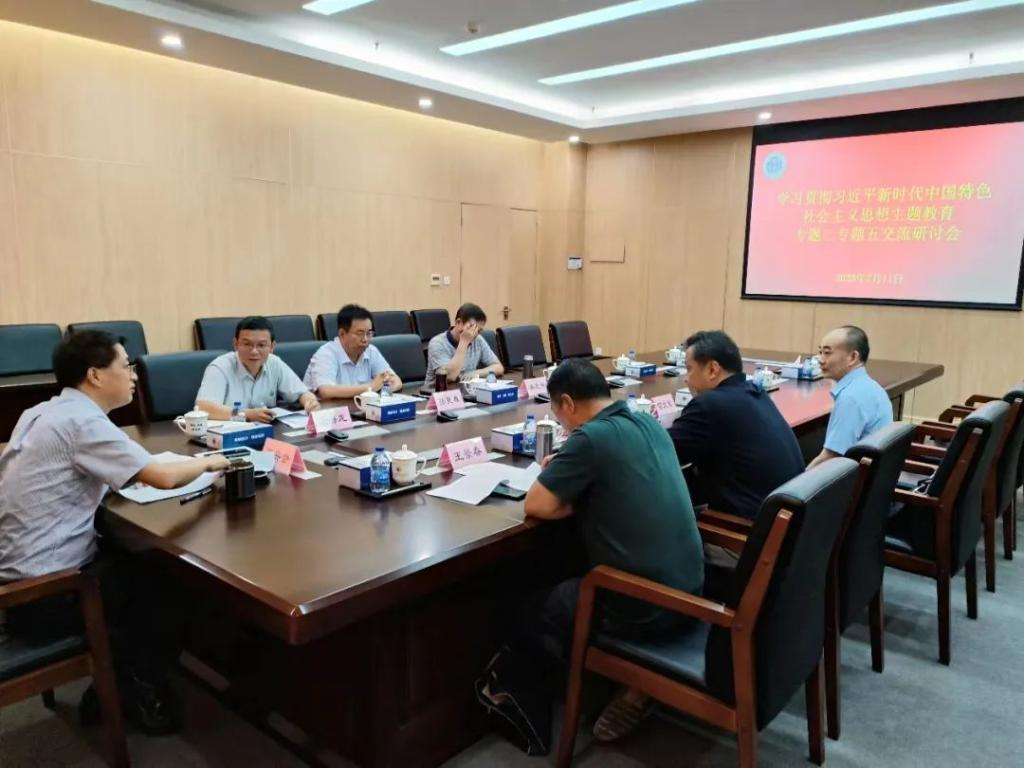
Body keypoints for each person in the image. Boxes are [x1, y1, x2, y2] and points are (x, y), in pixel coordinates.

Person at [0, 331, 231, 734]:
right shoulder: (82, 422)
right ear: (94, 375)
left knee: (134, 557)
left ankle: (116, 677)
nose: (134, 375)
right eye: (125, 366)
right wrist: (214, 461)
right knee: (174, 579)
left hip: (19, 579)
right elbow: (162, 476)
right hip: (48, 595)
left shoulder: (41, 412)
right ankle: (138, 685)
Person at [479, 359, 703, 748]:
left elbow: (538, 505)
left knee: (524, 602)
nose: (562, 425)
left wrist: (574, 492)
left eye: (557, 414)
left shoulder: (590, 438)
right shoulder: (646, 422)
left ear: (567, 403)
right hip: (692, 587)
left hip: (642, 607)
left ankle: (561, 691)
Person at [668, 330, 805, 519]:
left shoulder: (710, 404)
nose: (686, 378)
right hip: (784, 519)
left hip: (747, 529)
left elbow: (661, 451)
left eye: (689, 369)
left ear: (712, 369)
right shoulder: (756, 392)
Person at [195, 316, 319, 422]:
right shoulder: (220, 367)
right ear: (236, 344)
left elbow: (302, 393)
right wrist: (245, 414)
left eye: (261, 345)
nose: (254, 351)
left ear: (272, 347)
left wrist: (310, 402)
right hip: (228, 435)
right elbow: (203, 407)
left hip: (266, 431)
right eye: (247, 344)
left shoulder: (274, 363)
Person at [808, 325, 893, 468]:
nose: (820, 360)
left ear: (853, 357)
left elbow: (831, 458)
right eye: (820, 352)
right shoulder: (870, 386)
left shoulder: (850, 398)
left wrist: (797, 480)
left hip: (857, 477)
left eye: (827, 353)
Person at [303, 304, 402, 398]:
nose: (365, 339)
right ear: (342, 334)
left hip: (360, 407)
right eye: (359, 333)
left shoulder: (371, 351)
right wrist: (370, 387)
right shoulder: (326, 353)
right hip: (329, 408)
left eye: (369, 333)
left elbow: (395, 381)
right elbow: (325, 391)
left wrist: (385, 392)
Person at [424, 303, 503, 392]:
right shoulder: (437, 343)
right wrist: (464, 342)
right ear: (458, 323)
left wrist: (474, 373)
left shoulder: (478, 339)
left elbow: (498, 367)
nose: (474, 334)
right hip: (436, 393)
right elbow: (450, 376)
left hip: (464, 391)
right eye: (472, 328)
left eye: (479, 330)